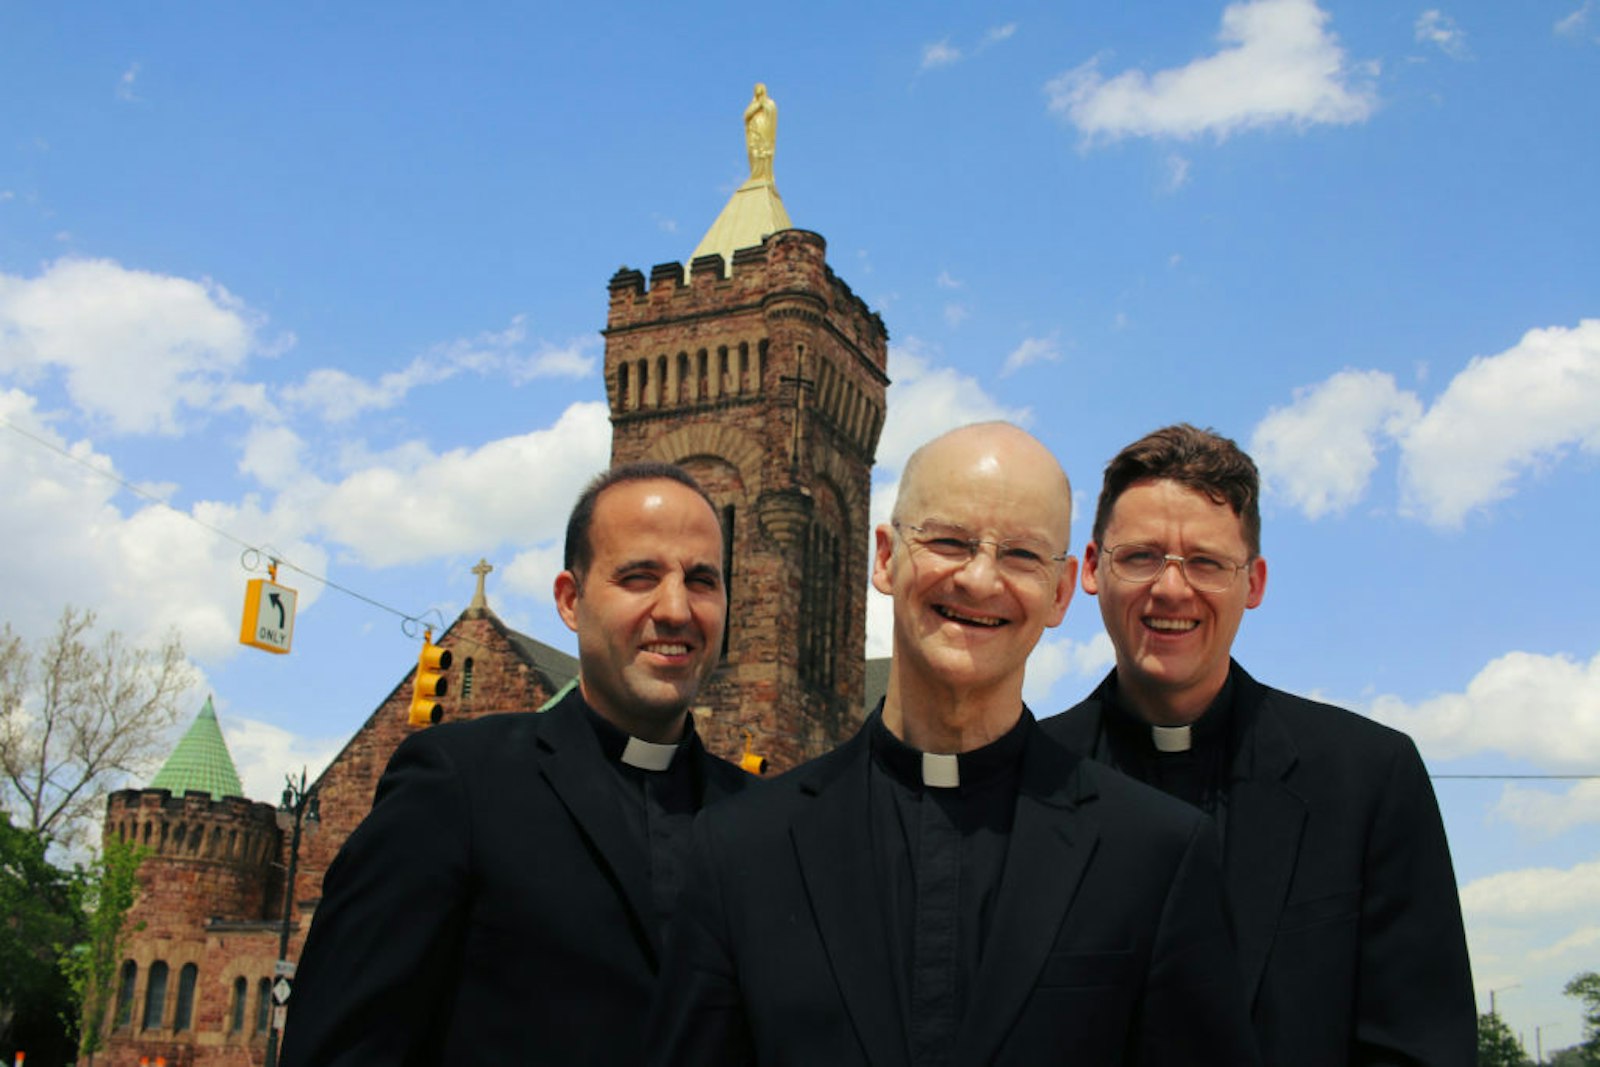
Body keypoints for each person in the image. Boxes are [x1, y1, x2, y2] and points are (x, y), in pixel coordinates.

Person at [649, 422, 1259, 1066]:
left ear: (1058, 592)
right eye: (947, 541)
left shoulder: (1155, 853)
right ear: (885, 558)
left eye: (1022, 554)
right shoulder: (739, 848)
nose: (978, 578)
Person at [281, 462, 751, 1066]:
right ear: (570, 600)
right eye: (639, 576)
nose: (677, 608)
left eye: (703, 581)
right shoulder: (458, 786)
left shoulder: (762, 820)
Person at [1043, 424, 1475, 1066]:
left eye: (1207, 563)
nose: (1170, 589)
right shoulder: (1028, 781)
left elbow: (1422, 1047)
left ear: (1255, 582)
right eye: (1140, 557)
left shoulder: (1369, 778)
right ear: (1093, 572)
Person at [744, 82, 777, 182]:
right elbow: (746, 116)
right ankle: (756, 174)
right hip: (754, 130)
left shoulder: (769, 102)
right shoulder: (753, 104)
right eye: (756, 89)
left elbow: (772, 114)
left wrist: (764, 105)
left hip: (764, 130)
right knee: (753, 151)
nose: (757, 90)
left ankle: (764, 174)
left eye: (759, 88)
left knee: (763, 151)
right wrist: (758, 106)